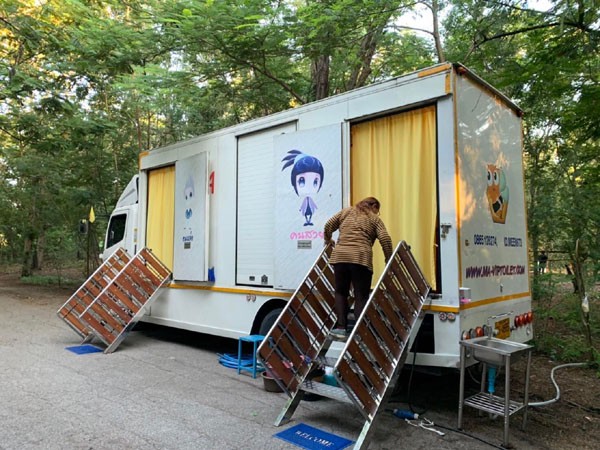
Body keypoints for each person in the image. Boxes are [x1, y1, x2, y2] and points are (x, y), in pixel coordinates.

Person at [323, 197, 393, 340]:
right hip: (361, 258)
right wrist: (388, 258)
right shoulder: (374, 219)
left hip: (340, 257)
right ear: (374, 206)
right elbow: (385, 238)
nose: (377, 213)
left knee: (341, 292)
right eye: (377, 210)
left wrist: (328, 239)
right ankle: (359, 331)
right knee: (361, 296)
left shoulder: (346, 212)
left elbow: (328, 225)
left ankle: (341, 328)